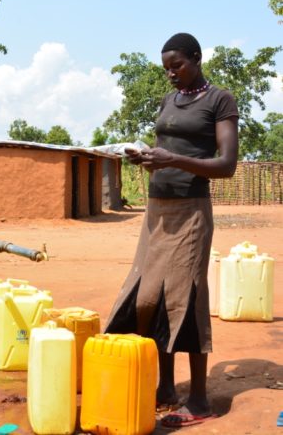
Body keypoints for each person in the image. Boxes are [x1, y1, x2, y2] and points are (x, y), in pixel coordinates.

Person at [104, 32, 239, 428]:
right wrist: (147, 158)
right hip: (157, 212)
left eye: (177, 65)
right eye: (166, 68)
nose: (171, 73)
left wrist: (172, 159)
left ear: (197, 58)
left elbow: (227, 165)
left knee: (187, 299)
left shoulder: (220, 100)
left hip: (190, 212)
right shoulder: (169, 100)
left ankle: (198, 399)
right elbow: (163, 151)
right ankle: (165, 387)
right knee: (151, 299)